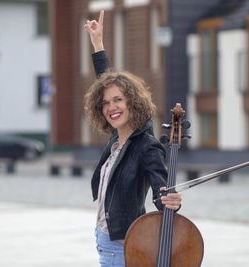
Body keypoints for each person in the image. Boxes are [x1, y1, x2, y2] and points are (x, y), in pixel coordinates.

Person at [84, 10, 182, 267]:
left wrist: (170, 200)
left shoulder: (146, 146)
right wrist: (98, 43)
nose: (111, 107)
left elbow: (162, 190)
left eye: (118, 100)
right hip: (105, 240)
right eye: (105, 103)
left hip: (122, 246)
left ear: (132, 102)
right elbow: (105, 81)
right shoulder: (117, 139)